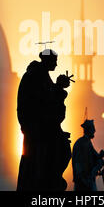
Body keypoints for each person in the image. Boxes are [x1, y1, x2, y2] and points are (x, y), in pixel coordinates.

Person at [16, 49, 72, 191]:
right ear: (47, 61)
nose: (57, 64)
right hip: (38, 131)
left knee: (63, 151)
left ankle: (52, 179)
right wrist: (58, 88)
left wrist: (58, 87)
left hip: (43, 128)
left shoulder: (41, 75)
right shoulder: (35, 76)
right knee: (48, 161)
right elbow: (43, 102)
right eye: (54, 61)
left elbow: (48, 99)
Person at [72, 119, 104, 191]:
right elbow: (78, 163)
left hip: (88, 179)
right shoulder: (81, 143)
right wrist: (83, 179)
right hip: (84, 181)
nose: (94, 131)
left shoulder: (87, 142)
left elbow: (96, 155)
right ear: (89, 129)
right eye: (93, 128)